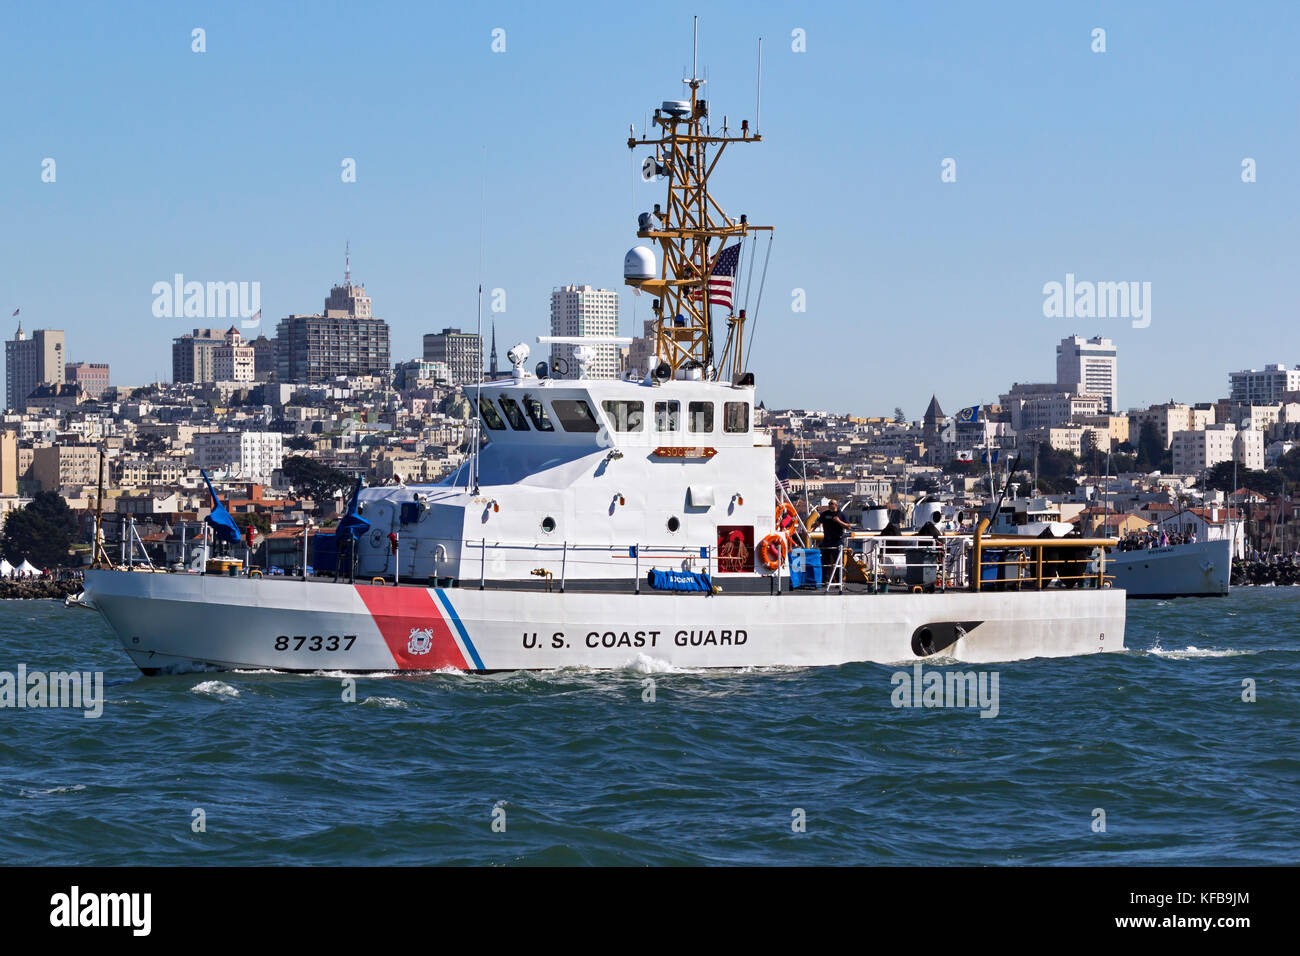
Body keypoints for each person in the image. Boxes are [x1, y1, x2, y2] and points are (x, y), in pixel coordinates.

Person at [810, 498, 854, 583]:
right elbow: (817, 523)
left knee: (838, 561)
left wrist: (838, 521)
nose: (830, 505)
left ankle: (838, 581)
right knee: (824, 561)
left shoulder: (841, 515)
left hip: (837, 540)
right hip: (827, 540)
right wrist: (811, 530)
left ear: (836, 505)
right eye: (829, 504)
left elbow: (848, 526)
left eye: (832, 503)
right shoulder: (825, 514)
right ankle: (825, 580)